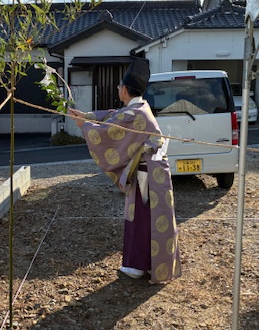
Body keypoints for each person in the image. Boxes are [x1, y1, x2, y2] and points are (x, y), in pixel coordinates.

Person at [68, 58, 181, 284]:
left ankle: (137, 266)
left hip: (147, 175)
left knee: (140, 218)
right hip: (150, 172)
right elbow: (113, 116)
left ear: (125, 90)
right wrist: (87, 116)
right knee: (145, 218)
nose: (118, 88)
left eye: (120, 86)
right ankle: (144, 264)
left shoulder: (136, 113)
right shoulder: (138, 109)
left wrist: (85, 127)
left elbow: (109, 130)